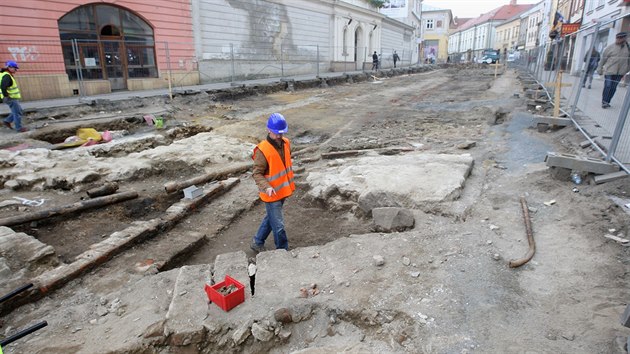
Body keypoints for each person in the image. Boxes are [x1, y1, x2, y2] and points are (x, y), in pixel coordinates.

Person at [250, 113, 295, 253]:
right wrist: (267, 187)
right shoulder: (262, 150)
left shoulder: (286, 143)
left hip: (282, 191)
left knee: (271, 219)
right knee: (279, 225)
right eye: (276, 134)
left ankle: (257, 242)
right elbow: (257, 173)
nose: (279, 136)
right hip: (271, 193)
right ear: (269, 130)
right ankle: (282, 251)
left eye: (282, 133)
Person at [597, 32, 630, 108]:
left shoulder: (628, 48)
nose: (618, 40)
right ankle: (604, 102)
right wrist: (599, 68)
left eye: (620, 38)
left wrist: (627, 69)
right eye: (617, 38)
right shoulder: (610, 47)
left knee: (613, 87)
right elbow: (603, 59)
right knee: (608, 86)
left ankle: (608, 101)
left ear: (624, 38)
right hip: (609, 70)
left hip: (620, 72)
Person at [1, 60, 27, 132]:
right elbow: (3, 86)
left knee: (19, 110)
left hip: (9, 97)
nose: (16, 70)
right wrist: (6, 95)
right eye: (15, 68)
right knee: (17, 112)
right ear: (9, 67)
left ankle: (7, 121)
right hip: (10, 97)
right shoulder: (7, 76)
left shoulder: (4, 74)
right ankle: (19, 128)